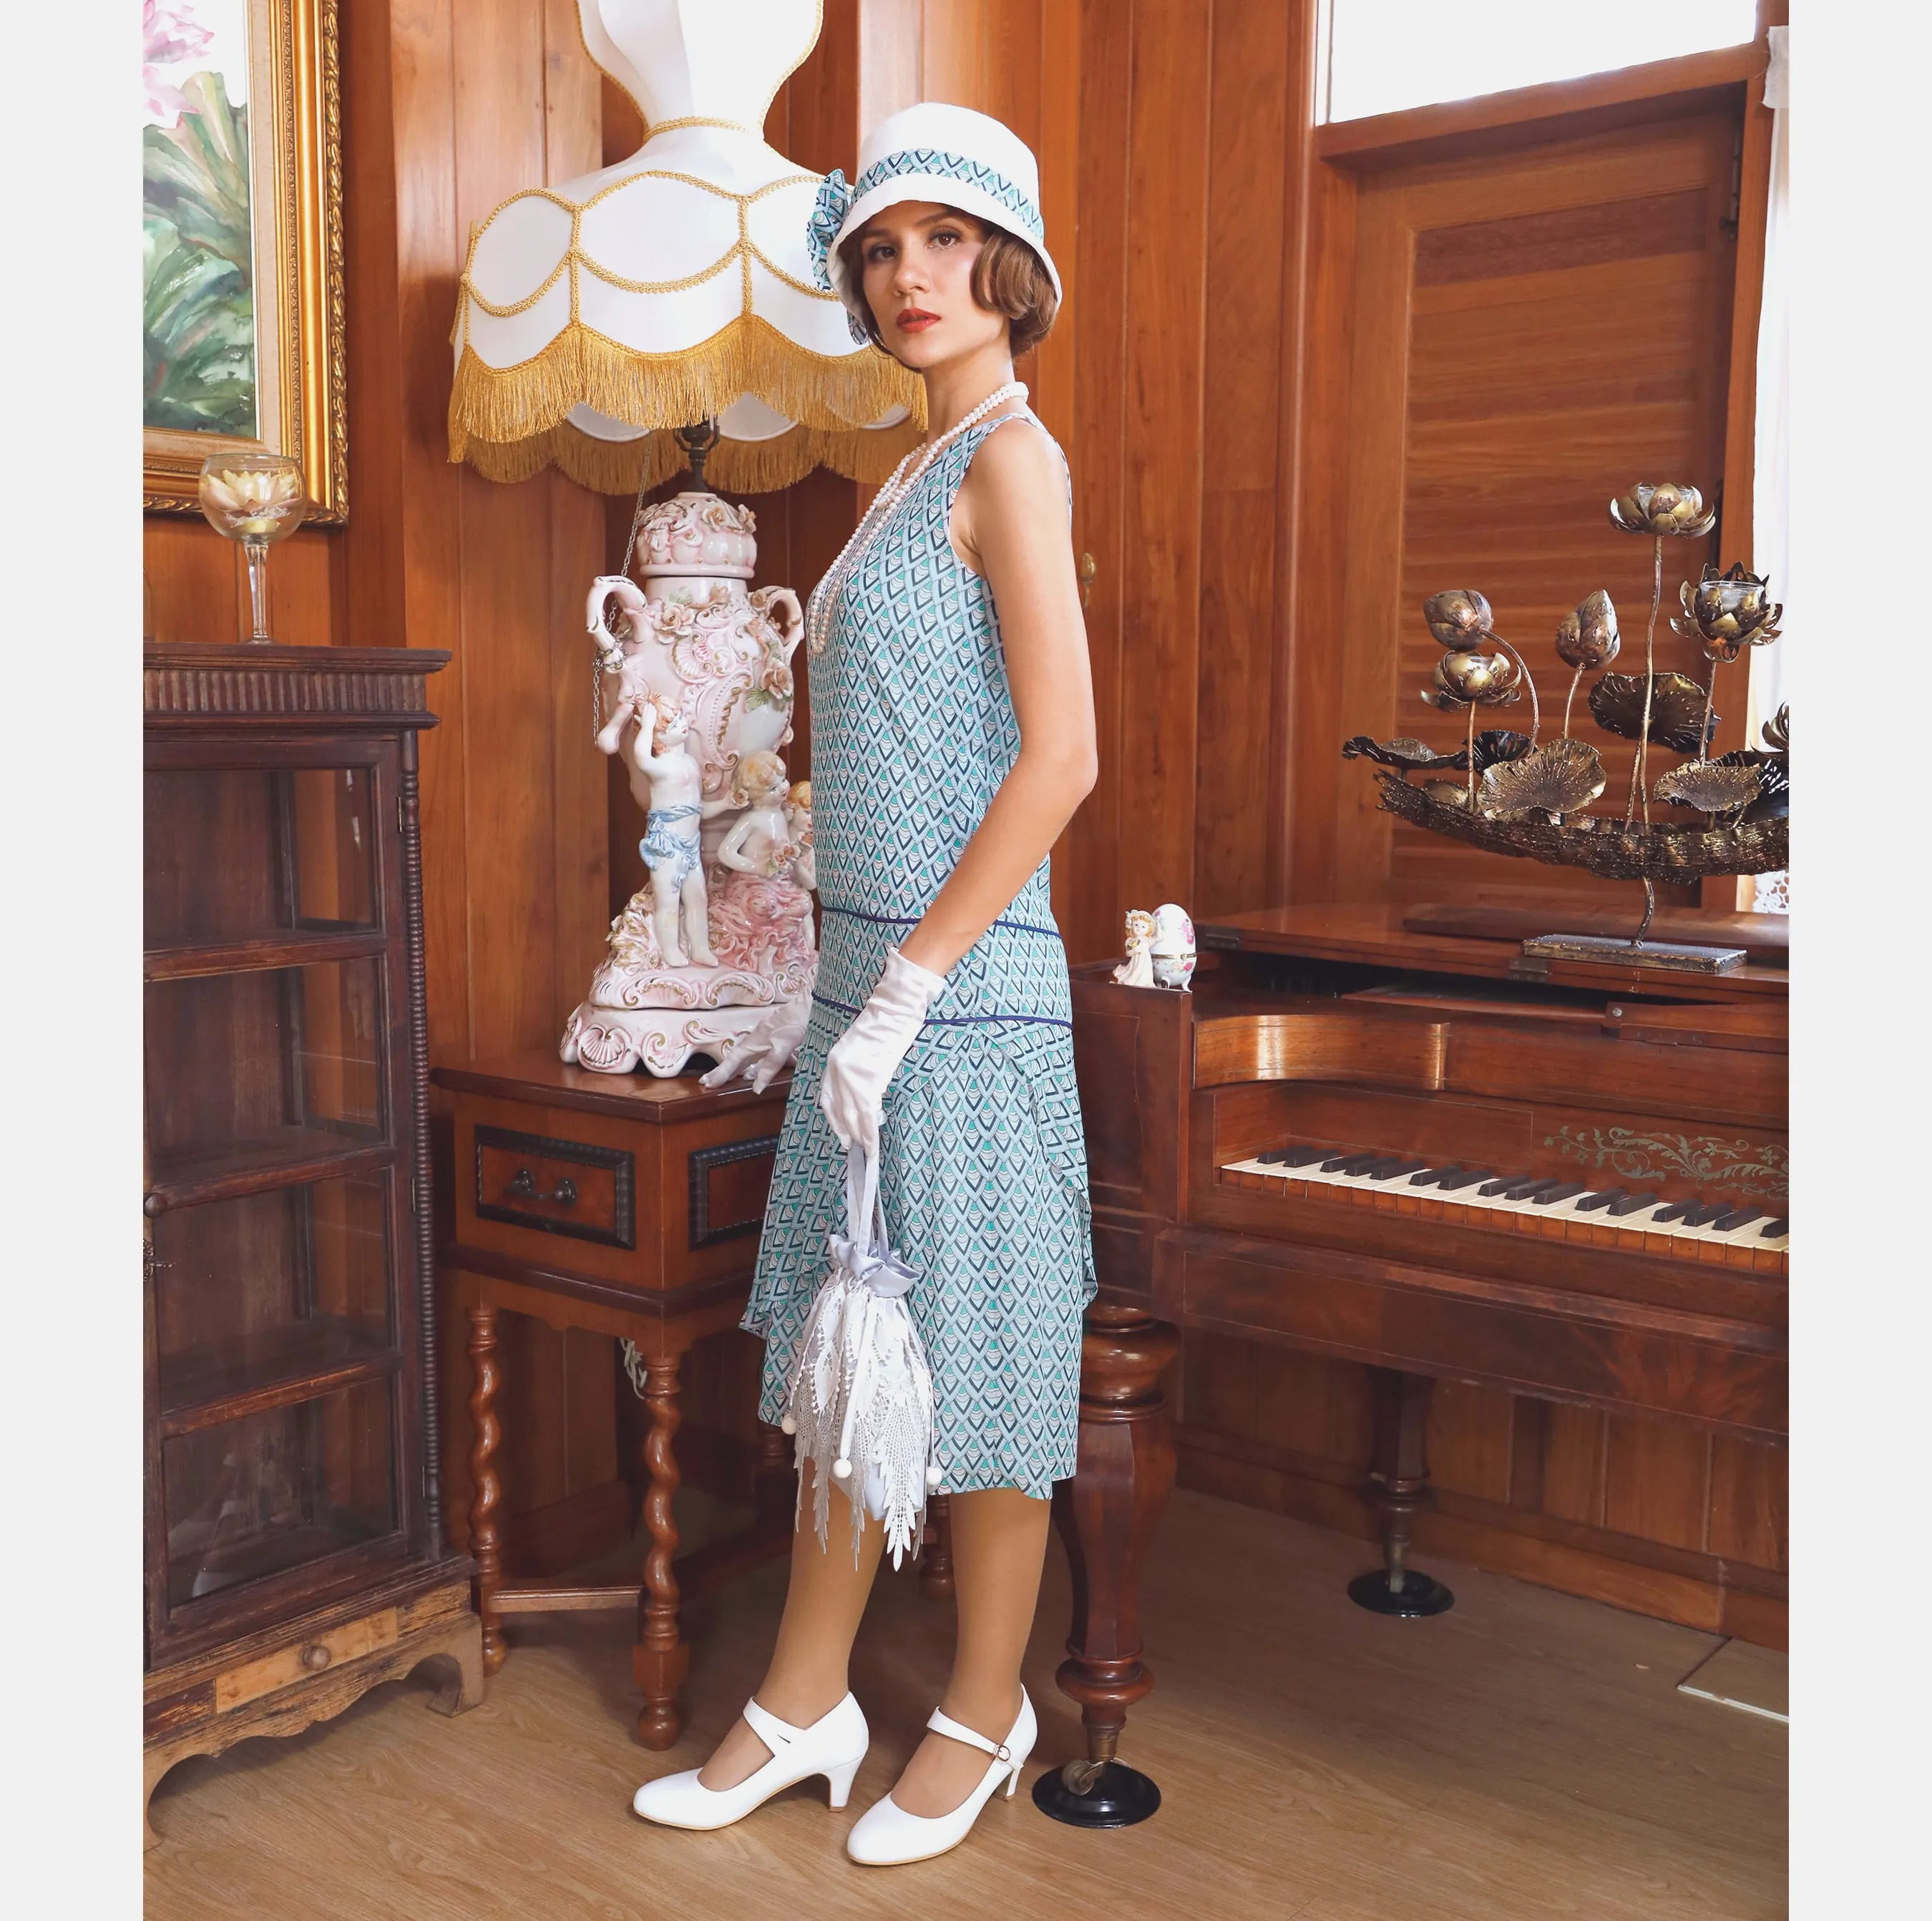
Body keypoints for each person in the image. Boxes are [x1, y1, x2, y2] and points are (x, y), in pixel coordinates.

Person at [633, 102, 1098, 1868]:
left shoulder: (1012, 461)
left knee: (974, 1371)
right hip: (858, 995)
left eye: (944, 241)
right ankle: (804, 1695)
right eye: (880, 247)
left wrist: (906, 986)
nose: (911, 275)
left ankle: (985, 1712)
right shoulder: (910, 469)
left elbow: (1060, 758)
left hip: (957, 1006)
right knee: (848, 1363)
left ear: (1009, 263)